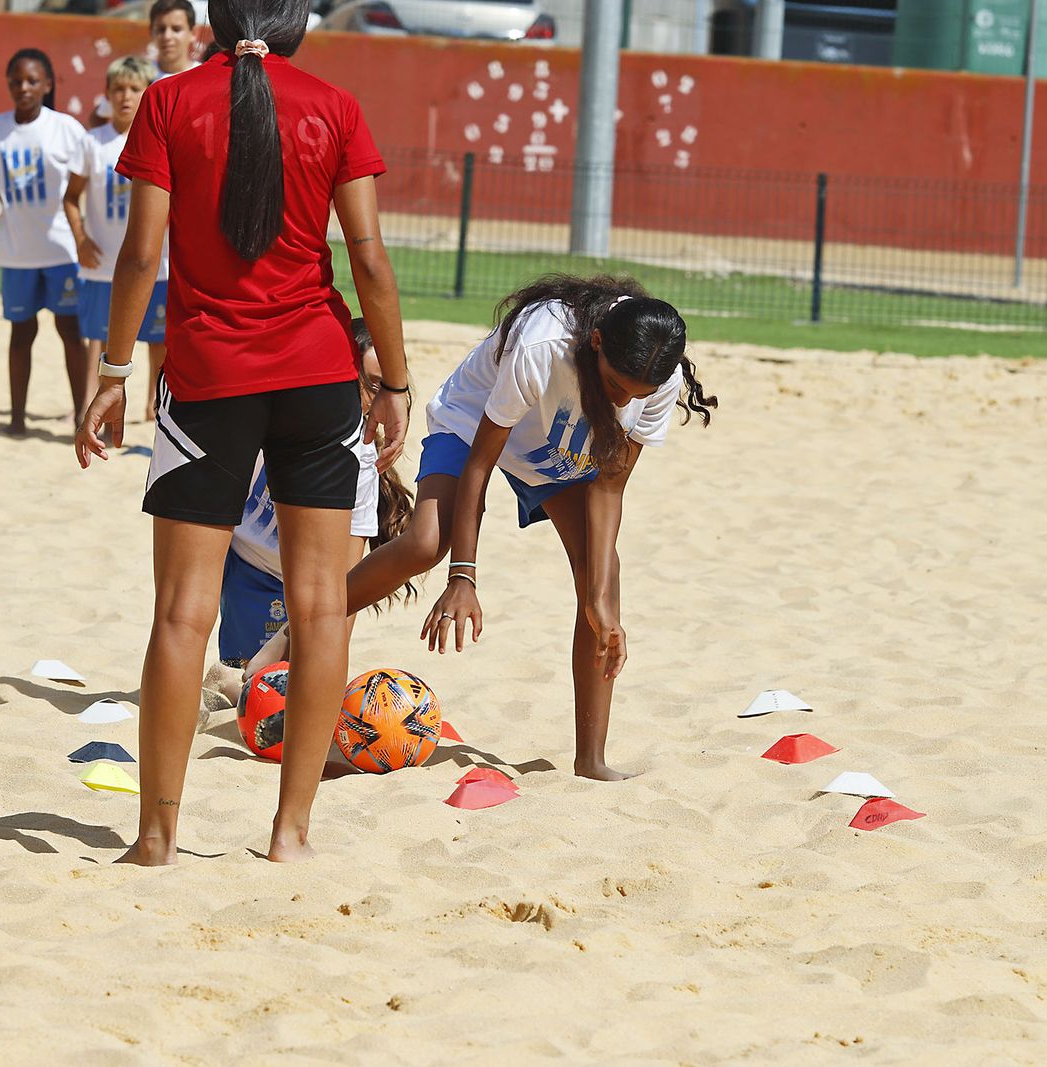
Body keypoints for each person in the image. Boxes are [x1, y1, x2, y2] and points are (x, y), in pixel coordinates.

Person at [74, 0, 410, 864]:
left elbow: (141, 256)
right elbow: (369, 259)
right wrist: (397, 381)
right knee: (323, 606)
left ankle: (156, 835)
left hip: (208, 376)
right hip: (317, 372)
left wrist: (113, 374)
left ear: (217, 24)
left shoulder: (170, 101)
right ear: (300, 26)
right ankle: (290, 833)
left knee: (183, 615)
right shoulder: (335, 105)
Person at [246, 274, 717, 781]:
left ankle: (590, 760)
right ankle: (297, 630)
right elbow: (480, 463)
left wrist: (599, 598)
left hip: (551, 450)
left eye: (637, 395)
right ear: (596, 341)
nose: (625, 402)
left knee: (602, 589)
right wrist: (462, 577)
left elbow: (609, 488)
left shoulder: (658, 377)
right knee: (427, 542)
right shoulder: (544, 343)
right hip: (474, 425)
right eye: (616, 388)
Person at [209, 319, 414, 694]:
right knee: (247, 685)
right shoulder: (275, 419)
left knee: (296, 686)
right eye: (367, 383)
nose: (371, 397)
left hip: (304, 581)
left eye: (382, 387)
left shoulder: (363, 460)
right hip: (246, 563)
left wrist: (330, 651)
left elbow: (346, 583)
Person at [0, 48, 90, 436]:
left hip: (62, 251)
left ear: (48, 85)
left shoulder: (64, 128)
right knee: (21, 334)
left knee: (70, 331)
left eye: (33, 80)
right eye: (16, 81)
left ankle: (81, 414)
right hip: (16, 253)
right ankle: (16, 418)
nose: (24, 87)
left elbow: (91, 171)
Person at [62, 56, 169, 419]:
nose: (125, 96)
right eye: (118, 89)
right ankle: (93, 405)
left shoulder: (161, 140)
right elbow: (70, 197)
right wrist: (80, 240)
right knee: (102, 339)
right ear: (107, 94)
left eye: (134, 89)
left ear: (148, 92)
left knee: (158, 339)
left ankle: (153, 408)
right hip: (103, 262)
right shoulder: (93, 143)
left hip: (158, 262)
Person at [90, 0, 200, 127]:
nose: (167, 36)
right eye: (161, 29)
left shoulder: (204, 77)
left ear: (193, 33)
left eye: (176, 29)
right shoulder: (137, 75)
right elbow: (99, 118)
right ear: (151, 32)